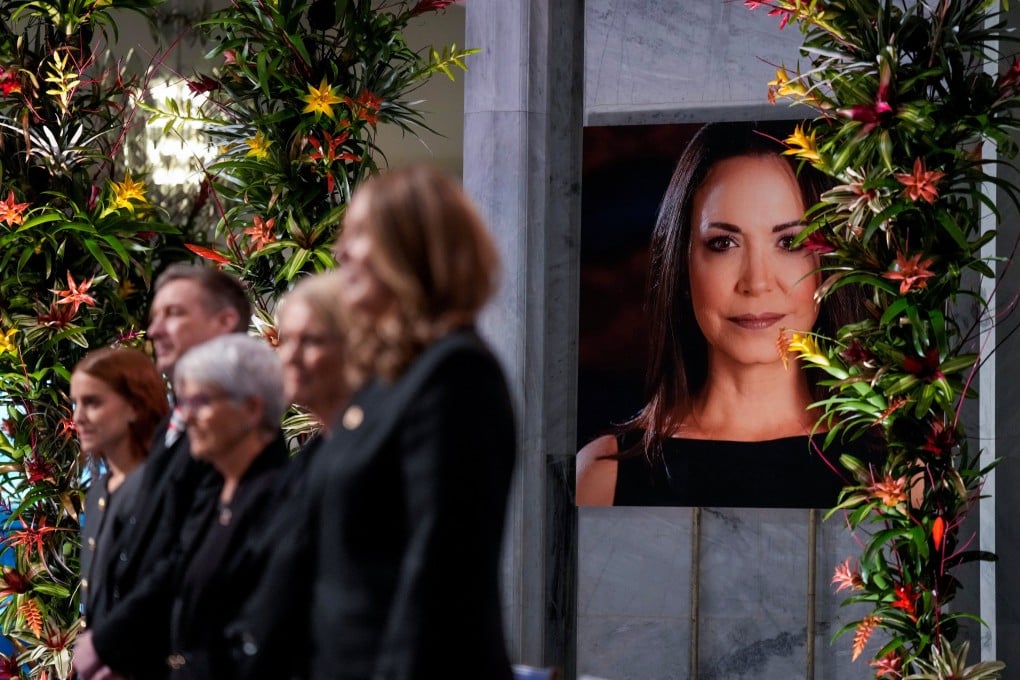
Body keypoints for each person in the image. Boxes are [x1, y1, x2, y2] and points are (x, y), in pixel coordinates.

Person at [228, 164, 517, 680]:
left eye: (359, 234)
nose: (341, 253)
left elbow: (440, 577)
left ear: (413, 248)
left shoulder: (456, 373)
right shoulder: (387, 386)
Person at [576, 121, 877, 508]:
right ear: (682, 265)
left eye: (790, 242)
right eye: (723, 243)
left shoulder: (897, 477)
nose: (756, 282)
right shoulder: (603, 479)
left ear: (832, 263)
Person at [74, 334, 291, 680]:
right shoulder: (220, 492)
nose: (186, 418)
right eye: (184, 403)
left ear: (251, 408)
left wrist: (123, 653)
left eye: (200, 402)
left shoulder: (276, 494)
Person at [73, 263, 251, 677]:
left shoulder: (234, 424)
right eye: (154, 317)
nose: (153, 331)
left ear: (224, 322)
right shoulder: (172, 435)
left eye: (174, 314)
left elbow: (189, 558)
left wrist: (111, 644)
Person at [72, 347, 170, 624]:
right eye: (75, 404)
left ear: (135, 406)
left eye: (92, 402)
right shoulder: (99, 489)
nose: (78, 417)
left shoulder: (159, 487)